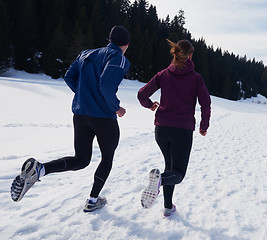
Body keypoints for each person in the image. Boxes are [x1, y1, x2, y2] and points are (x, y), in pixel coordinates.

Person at [10, 25, 131, 213]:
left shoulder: (86, 54)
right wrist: (116, 107)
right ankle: (92, 200)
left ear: (109, 39)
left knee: (81, 159)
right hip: (104, 119)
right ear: (126, 45)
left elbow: (69, 77)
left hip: (81, 115)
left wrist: (85, 97)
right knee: (107, 157)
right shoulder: (119, 58)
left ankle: (41, 169)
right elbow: (107, 85)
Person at [137, 39, 211, 217]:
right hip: (182, 131)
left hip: (161, 129)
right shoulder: (195, 78)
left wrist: (149, 105)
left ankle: (168, 207)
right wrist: (203, 126)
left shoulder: (163, 74)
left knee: (170, 166)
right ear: (190, 55)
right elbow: (206, 103)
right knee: (178, 173)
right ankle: (160, 180)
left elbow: (142, 94)